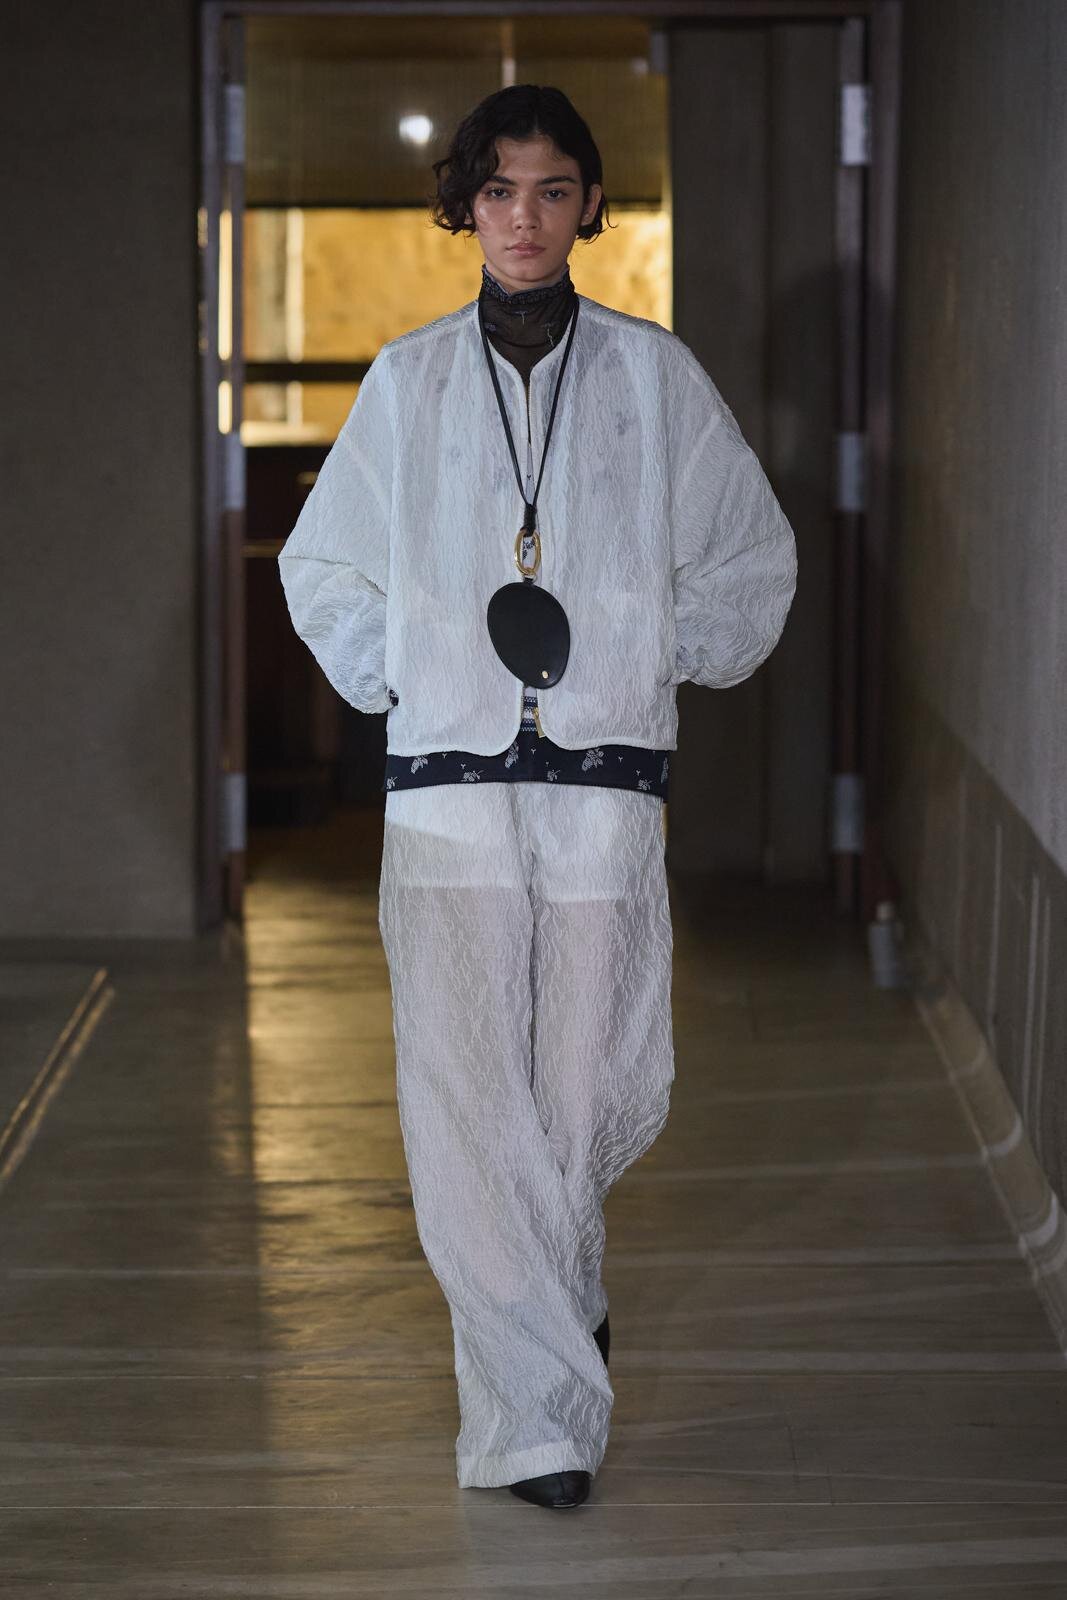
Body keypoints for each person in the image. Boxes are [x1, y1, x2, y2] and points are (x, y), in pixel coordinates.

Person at [277, 84, 798, 1510]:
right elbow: (323, 566)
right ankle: (538, 1421)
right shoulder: (410, 383)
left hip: (601, 797)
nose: (524, 218)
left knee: (578, 1084)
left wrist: (638, 654)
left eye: (553, 189)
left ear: (589, 205)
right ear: (466, 204)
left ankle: (556, 1306)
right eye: (499, 190)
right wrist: (413, 672)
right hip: (447, 796)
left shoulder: (653, 378)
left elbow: (749, 557)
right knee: (462, 1096)